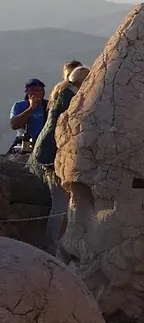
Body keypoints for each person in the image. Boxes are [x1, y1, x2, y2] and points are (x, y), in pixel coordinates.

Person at [29, 66, 90, 246]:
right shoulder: (70, 98)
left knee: (62, 202)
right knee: (60, 203)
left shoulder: (64, 93)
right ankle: (53, 246)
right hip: (51, 154)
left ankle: (55, 243)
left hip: (46, 151)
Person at [9, 78, 48, 154]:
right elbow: (14, 125)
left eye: (40, 90)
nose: (38, 93)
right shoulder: (19, 105)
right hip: (24, 141)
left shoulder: (47, 105)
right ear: (28, 92)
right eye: (34, 90)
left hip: (42, 143)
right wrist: (31, 108)